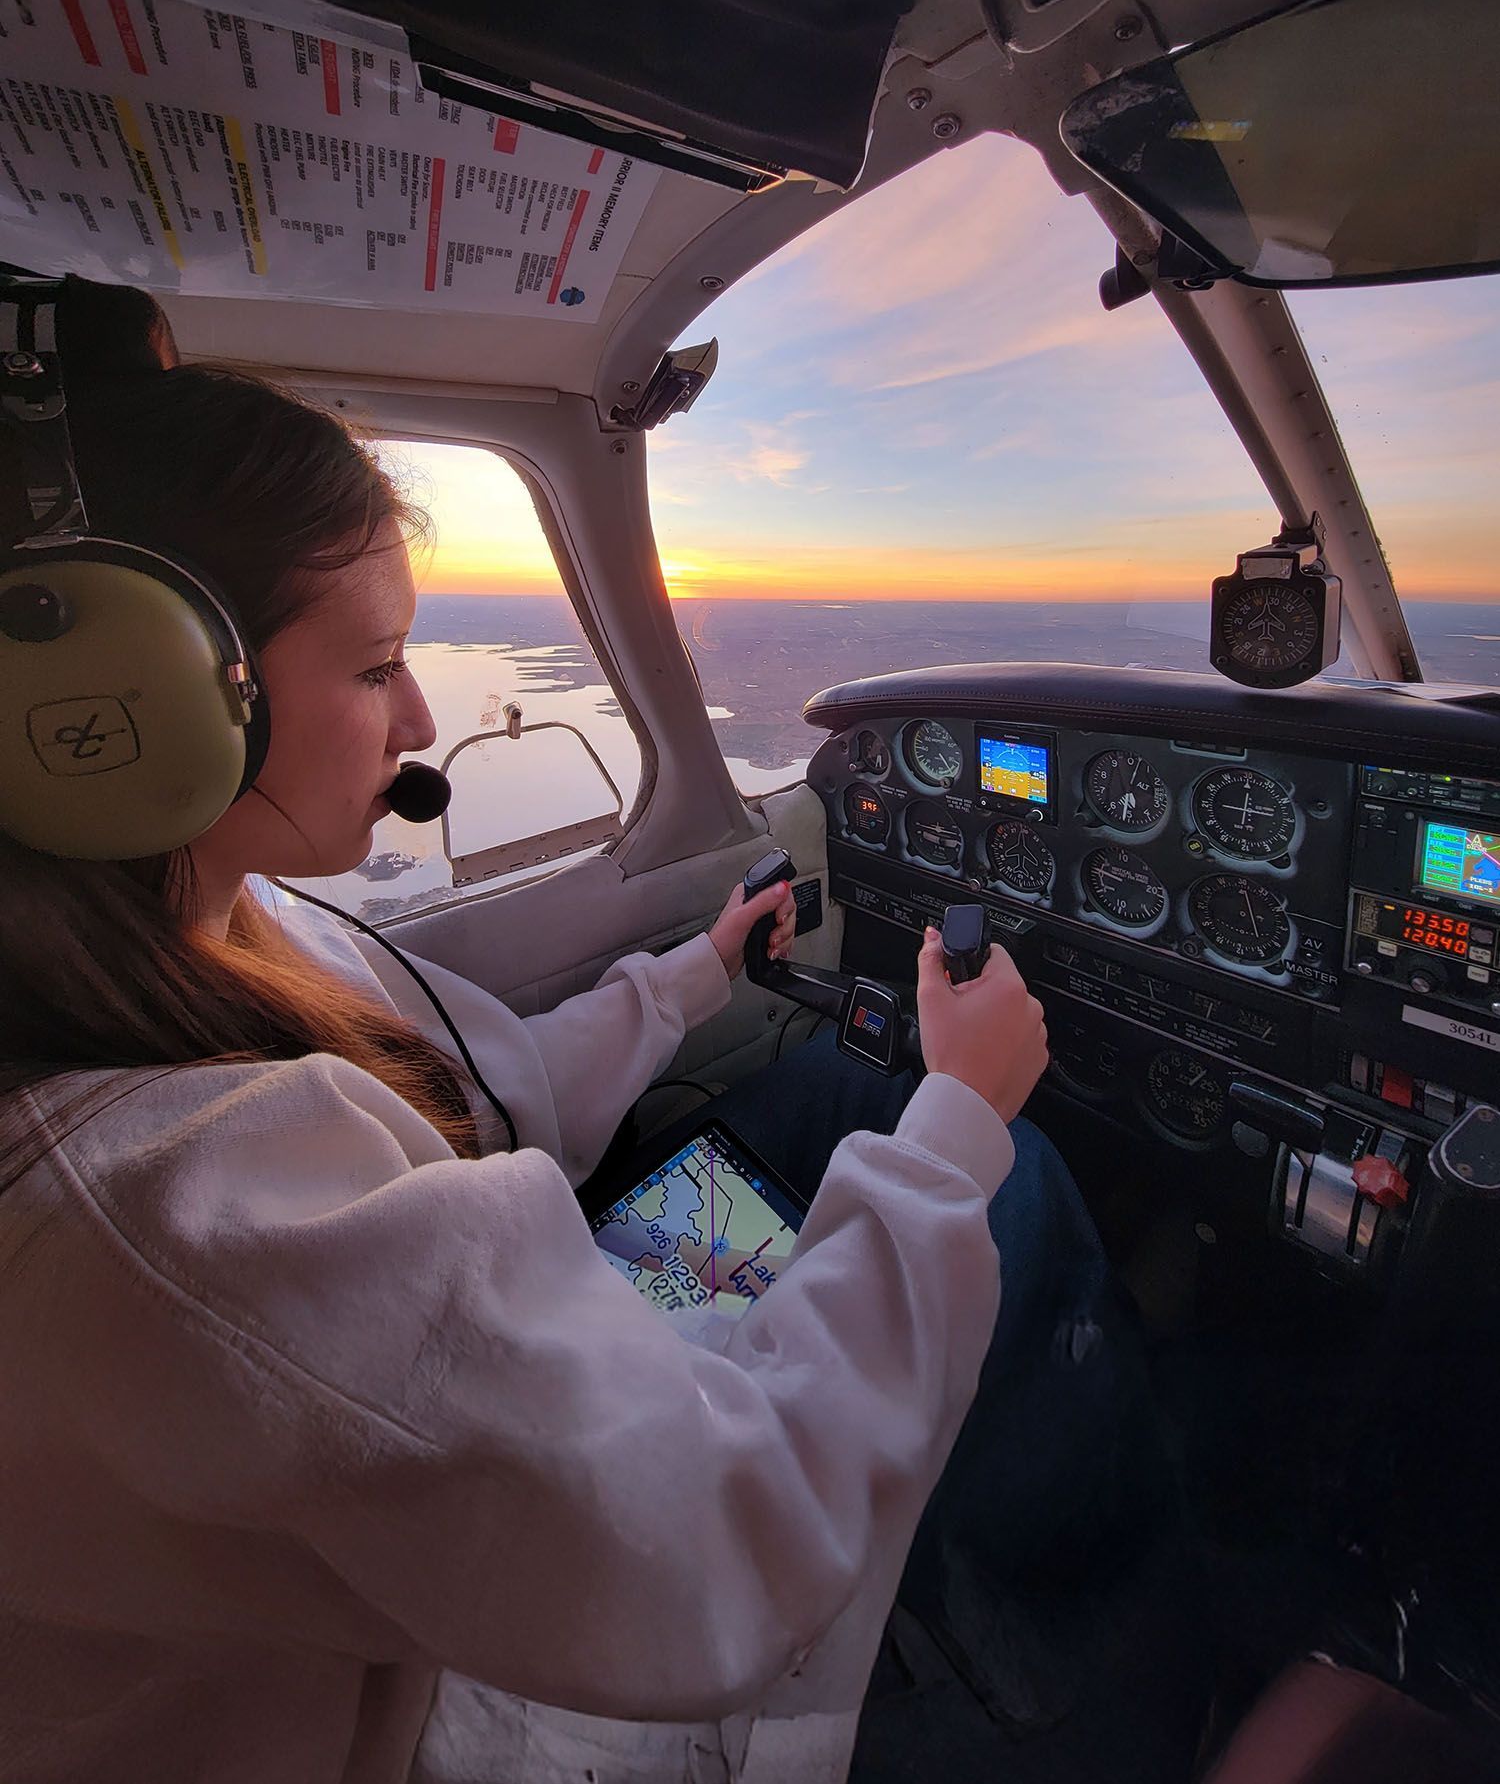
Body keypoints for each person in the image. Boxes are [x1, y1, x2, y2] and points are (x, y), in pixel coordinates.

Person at [0, 287, 1177, 1784]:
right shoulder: (176, 1218)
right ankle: (1112, 1667)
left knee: (822, 1090)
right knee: (1004, 1193)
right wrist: (961, 1116)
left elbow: (477, 1104)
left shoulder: (205, 924)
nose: (420, 714)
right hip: (488, 1694)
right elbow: (718, 1546)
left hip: (465, 1497)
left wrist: (690, 976)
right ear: (147, 707)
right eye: (372, 668)